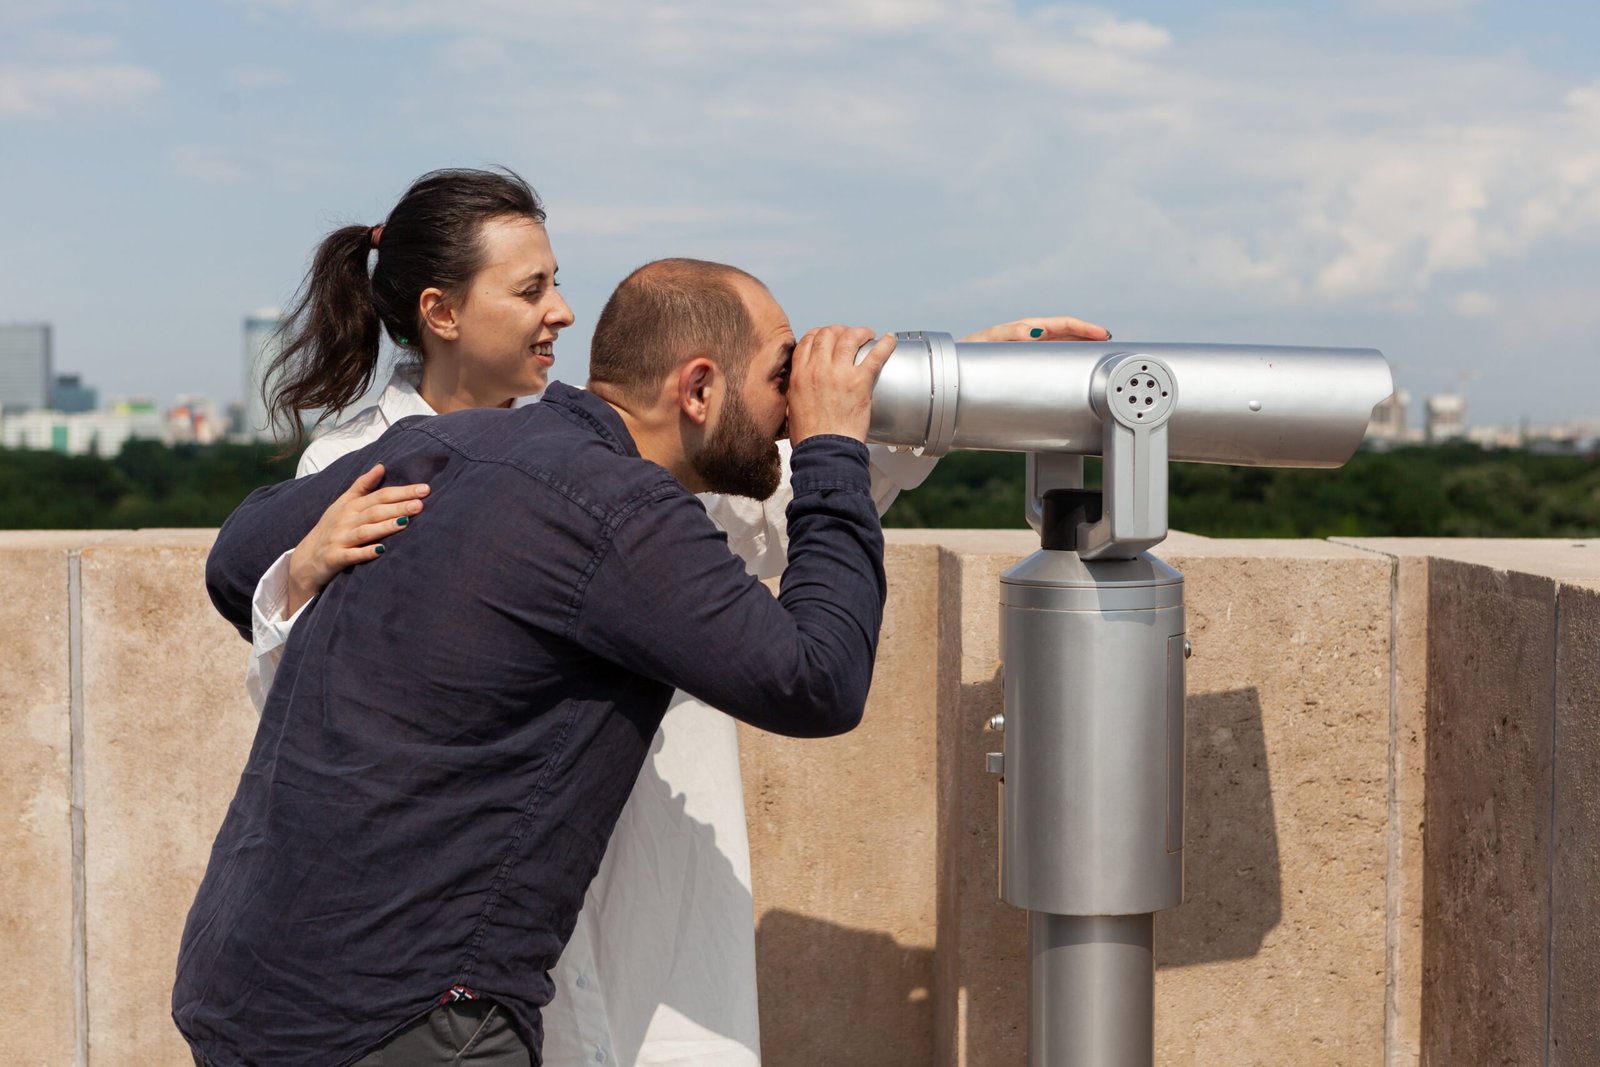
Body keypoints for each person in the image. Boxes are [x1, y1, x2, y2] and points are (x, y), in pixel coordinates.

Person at [235, 169, 1112, 1065]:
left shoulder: (617, 463)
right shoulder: (358, 466)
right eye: (532, 288)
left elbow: (773, 501)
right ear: (442, 311)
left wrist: (964, 374)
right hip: (438, 943)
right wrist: (296, 573)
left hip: (642, 896)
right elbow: (312, 697)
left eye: (560, 281)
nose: (563, 312)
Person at [179, 257, 901, 1065]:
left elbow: (237, 559)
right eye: (782, 376)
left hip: (247, 984)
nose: (789, 411)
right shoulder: (623, 509)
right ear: (698, 389)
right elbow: (818, 681)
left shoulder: (443, 441)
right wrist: (833, 447)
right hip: (408, 1019)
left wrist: (310, 554)